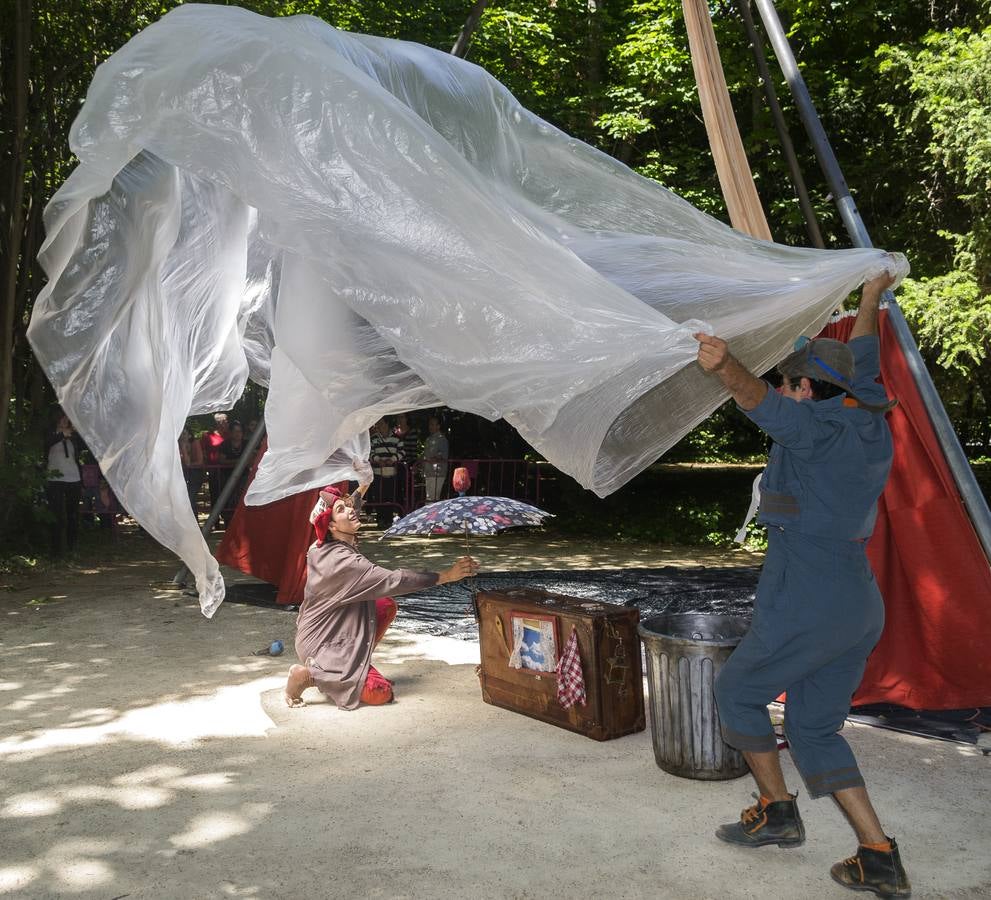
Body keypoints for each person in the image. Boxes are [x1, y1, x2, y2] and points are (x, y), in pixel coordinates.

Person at [694, 270, 910, 899]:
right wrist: (870, 298)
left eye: (790, 381)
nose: (783, 389)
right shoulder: (865, 410)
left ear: (807, 389)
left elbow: (757, 400)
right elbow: (862, 357)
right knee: (814, 729)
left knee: (736, 691)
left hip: (807, 596)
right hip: (856, 604)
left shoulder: (816, 432)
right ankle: (878, 853)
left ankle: (778, 810)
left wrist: (726, 364)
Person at [284, 481, 477, 709]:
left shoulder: (325, 543)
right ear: (333, 526)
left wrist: (364, 484)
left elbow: (347, 506)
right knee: (380, 693)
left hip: (331, 629)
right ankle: (308, 676)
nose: (351, 510)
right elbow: (394, 580)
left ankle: (357, 665)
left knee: (384, 605)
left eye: (348, 505)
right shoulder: (344, 563)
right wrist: (446, 575)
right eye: (341, 510)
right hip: (322, 644)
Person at [44, 412, 84, 557]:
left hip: (74, 479)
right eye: (63, 417)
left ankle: (72, 547)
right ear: (56, 419)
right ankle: (55, 551)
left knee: (73, 515)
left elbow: (84, 447)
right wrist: (62, 435)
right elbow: (46, 443)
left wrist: (76, 433)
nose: (66, 420)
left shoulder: (73, 437)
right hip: (55, 481)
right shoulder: (50, 434)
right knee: (57, 516)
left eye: (68, 418)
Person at [368, 417, 404, 527]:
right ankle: (380, 519)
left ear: (387, 424)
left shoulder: (397, 438)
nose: (379, 426)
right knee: (379, 497)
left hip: (391, 473)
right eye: (378, 424)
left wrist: (392, 459)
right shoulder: (374, 439)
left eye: (381, 424)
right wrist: (378, 460)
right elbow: (370, 453)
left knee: (389, 496)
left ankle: (388, 519)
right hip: (378, 473)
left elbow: (402, 452)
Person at [200, 412, 230, 525]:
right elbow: (203, 452)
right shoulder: (208, 436)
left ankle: (227, 518)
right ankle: (215, 520)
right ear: (220, 423)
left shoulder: (230, 435)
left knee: (228, 494)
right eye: (226, 421)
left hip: (228, 471)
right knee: (215, 494)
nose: (227, 423)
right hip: (214, 471)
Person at [421, 414, 449, 503]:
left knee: (433, 498)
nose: (430, 426)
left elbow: (444, 455)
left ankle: (431, 516)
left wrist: (436, 458)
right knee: (429, 497)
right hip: (429, 472)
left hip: (437, 473)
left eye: (433, 424)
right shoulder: (429, 439)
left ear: (438, 426)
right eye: (430, 424)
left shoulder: (442, 439)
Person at [178, 424, 204, 512]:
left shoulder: (195, 443)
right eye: (180, 433)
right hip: (183, 476)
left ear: (189, 435)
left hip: (195, 476)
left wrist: (184, 449)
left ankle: (194, 521)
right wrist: (183, 447)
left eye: (184, 433)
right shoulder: (177, 446)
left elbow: (197, 462)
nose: (182, 436)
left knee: (190, 499)